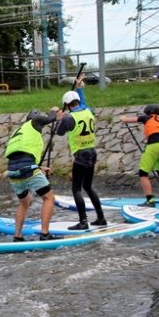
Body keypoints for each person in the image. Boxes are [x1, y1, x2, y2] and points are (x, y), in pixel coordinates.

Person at [55, 76, 106, 229]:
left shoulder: (69, 118)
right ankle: (101, 218)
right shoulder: (89, 111)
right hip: (92, 152)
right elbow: (83, 104)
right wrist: (80, 89)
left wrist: (60, 119)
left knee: (76, 188)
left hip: (81, 154)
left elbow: (59, 133)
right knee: (88, 187)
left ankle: (83, 222)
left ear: (67, 105)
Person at [4, 109, 59, 241]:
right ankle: (44, 234)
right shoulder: (35, 121)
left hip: (12, 169)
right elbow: (51, 118)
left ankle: (18, 236)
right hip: (27, 168)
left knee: (25, 202)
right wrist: (54, 111)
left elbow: (20, 156)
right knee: (49, 198)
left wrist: (39, 167)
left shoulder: (19, 132)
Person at [120, 105, 159, 206]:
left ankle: (150, 200)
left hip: (154, 145)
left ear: (148, 112)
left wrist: (123, 118)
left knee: (143, 173)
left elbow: (127, 120)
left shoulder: (147, 117)